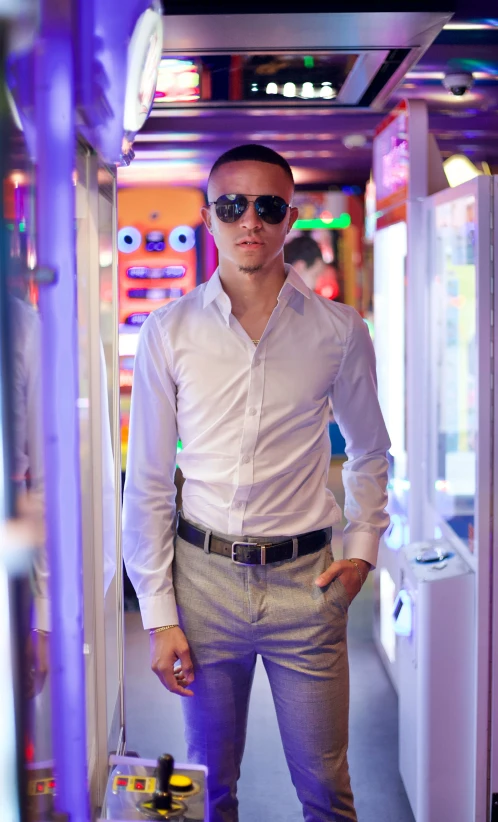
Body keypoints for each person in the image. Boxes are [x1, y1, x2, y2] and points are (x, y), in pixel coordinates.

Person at [123, 144, 390, 822]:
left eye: (267, 206)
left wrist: (361, 549)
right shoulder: (168, 331)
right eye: (232, 205)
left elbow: (370, 449)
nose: (250, 221)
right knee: (210, 790)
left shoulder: (338, 331)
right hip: (203, 581)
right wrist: (158, 614)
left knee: (327, 792)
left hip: (307, 583)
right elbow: (150, 482)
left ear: (291, 217)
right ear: (208, 216)